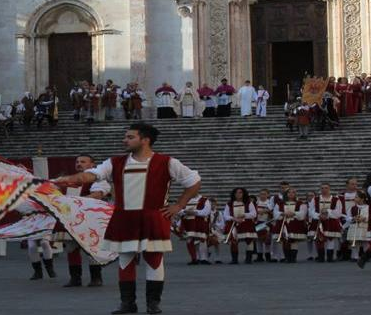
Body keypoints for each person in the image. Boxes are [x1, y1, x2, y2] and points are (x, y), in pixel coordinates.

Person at [55, 123, 202, 315]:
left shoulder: (167, 162)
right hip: (124, 217)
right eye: (126, 136)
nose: (125, 140)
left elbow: (194, 181)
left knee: (154, 260)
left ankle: (153, 305)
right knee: (125, 260)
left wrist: (179, 205)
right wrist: (71, 178)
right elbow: (92, 174)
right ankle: (128, 303)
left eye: (130, 137)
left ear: (145, 140)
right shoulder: (115, 162)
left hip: (152, 217)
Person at [60, 154, 110, 287]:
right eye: (77, 161)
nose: (79, 164)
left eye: (83, 161)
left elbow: (98, 194)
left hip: (90, 219)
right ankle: (75, 278)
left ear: (92, 165)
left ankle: (96, 278)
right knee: (71, 248)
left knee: (91, 247)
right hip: (70, 218)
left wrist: (74, 202)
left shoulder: (98, 179)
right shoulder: (70, 179)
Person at [309, 183, 344, 262]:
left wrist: (327, 213)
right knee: (319, 239)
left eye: (326, 188)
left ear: (329, 189)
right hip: (318, 221)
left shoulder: (336, 199)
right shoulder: (315, 199)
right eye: (322, 188)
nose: (324, 190)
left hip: (331, 221)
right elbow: (311, 211)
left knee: (330, 239)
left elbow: (338, 212)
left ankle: (330, 257)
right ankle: (321, 257)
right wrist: (319, 215)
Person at [223, 187, 257, 264]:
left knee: (249, 240)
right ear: (234, 194)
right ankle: (234, 259)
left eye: (240, 192)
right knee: (234, 241)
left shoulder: (249, 202)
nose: (238, 194)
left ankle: (248, 259)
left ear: (243, 193)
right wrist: (233, 218)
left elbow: (254, 214)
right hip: (234, 224)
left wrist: (244, 215)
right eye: (236, 193)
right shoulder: (229, 203)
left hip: (247, 224)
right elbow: (225, 215)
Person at [273, 188, 308, 263]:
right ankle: (287, 257)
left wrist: (294, 213)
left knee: (294, 240)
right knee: (285, 240)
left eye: (293, 192)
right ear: (286, 194)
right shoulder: (280, 203)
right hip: (283, 223)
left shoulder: (300, 203)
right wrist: (282, 213)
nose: (291, 194)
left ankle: (293, 258)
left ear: (295, 194)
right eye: (289, 192)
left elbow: (303, 213)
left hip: (295, 224)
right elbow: (275, 213)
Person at [346, 192, 371, 262]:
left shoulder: (368, 207)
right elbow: (347, 217)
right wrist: (353, 218)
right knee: (355, 242)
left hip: (364, 226)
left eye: (356, 197)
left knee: (365, 242)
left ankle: (366, 256)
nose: (355, 198)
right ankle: (355, 256)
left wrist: (364, 218)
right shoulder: (352, 208)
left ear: (362, 199)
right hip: (354, 226)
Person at [253, 189, 274, 262]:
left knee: (267, 240)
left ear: (268, 195)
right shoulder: (256, 203)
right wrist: (257, 212)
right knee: (259, 240)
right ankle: (260, 256)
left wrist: (267, 211)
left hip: (267, 222)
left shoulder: (270, 203)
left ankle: (268, 256)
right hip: (258, 222)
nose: (263, 195)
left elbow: (273, 212)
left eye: (264, 194)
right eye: (261, 194)